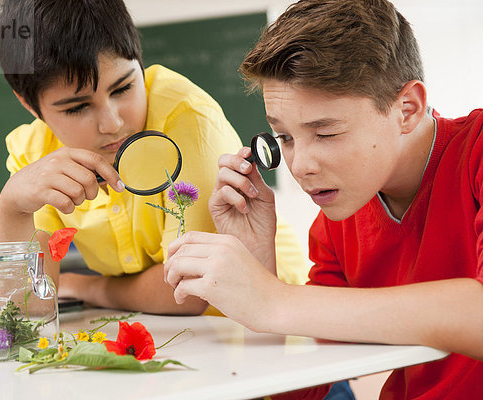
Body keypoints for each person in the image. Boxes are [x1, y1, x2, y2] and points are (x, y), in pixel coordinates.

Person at [163, 0, 483, 398]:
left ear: (407, 109)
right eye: (285, 138)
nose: (299, 166)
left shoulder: (477, 151)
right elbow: (303, 391)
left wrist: (274, 299)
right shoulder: (337, 221)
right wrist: (259, 263)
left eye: (326, 133)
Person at [0, 0, 307, 315]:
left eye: (123, 88)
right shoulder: (32, 151)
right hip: (166, 330)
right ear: (30, 105)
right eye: (77, 107)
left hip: (270, 322)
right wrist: (11, 208)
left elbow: (187, 292)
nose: (112, 123)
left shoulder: (187, 120)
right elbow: (27, 310)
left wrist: (88, 286)